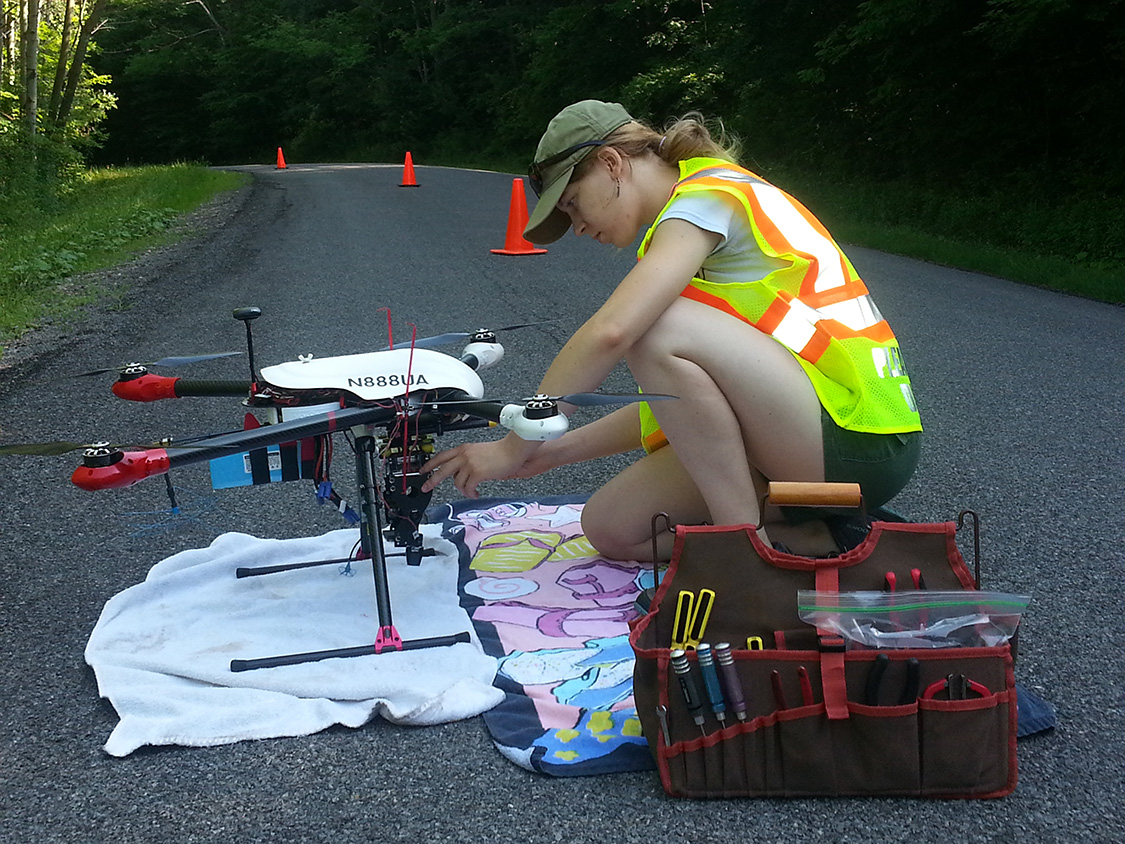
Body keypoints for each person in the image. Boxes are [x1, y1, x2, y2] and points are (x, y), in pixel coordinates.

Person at [421, 99, 922, 561]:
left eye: (573, 202)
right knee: (614, 528)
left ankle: (742, 551)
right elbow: (685, 407)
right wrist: (548, 454)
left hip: (859, 439)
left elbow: (612, 332)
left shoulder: (708, 199)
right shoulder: (686, 226)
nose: (575, 226)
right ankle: (820, 536)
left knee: (651, 325)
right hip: (798, 433)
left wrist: (517, 442)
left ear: (612, 163)